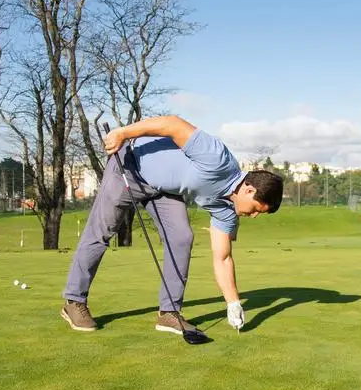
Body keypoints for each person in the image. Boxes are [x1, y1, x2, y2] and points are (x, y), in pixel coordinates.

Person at [60, 115, 284, 336]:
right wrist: (122, 133)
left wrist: (233, 302)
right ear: (249, 190)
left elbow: (223, 257)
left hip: (163, 190)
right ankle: (74, 301)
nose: (253, 216)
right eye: (256, 209)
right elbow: (171, 124)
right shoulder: (218, 158)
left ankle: (169, 312)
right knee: (101, 231)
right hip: (130, 167)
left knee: (181, 238)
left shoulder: (227, 211)